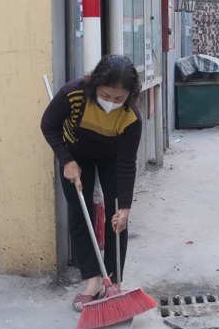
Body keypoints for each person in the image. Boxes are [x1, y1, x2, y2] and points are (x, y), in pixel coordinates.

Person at [41, 54, 143, 311]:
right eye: (106, 95)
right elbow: (49, 125)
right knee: (79, 214)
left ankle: (113, 280)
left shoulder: (131, 116)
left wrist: (126, 208)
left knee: (116, 217)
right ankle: (93, 281)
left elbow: (127, 164)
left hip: (113, 157)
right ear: (95, 84)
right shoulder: (73, 94)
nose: (111, 103)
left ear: (129, 95)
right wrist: (66, 160)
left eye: (119, 98)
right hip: (76, 156)